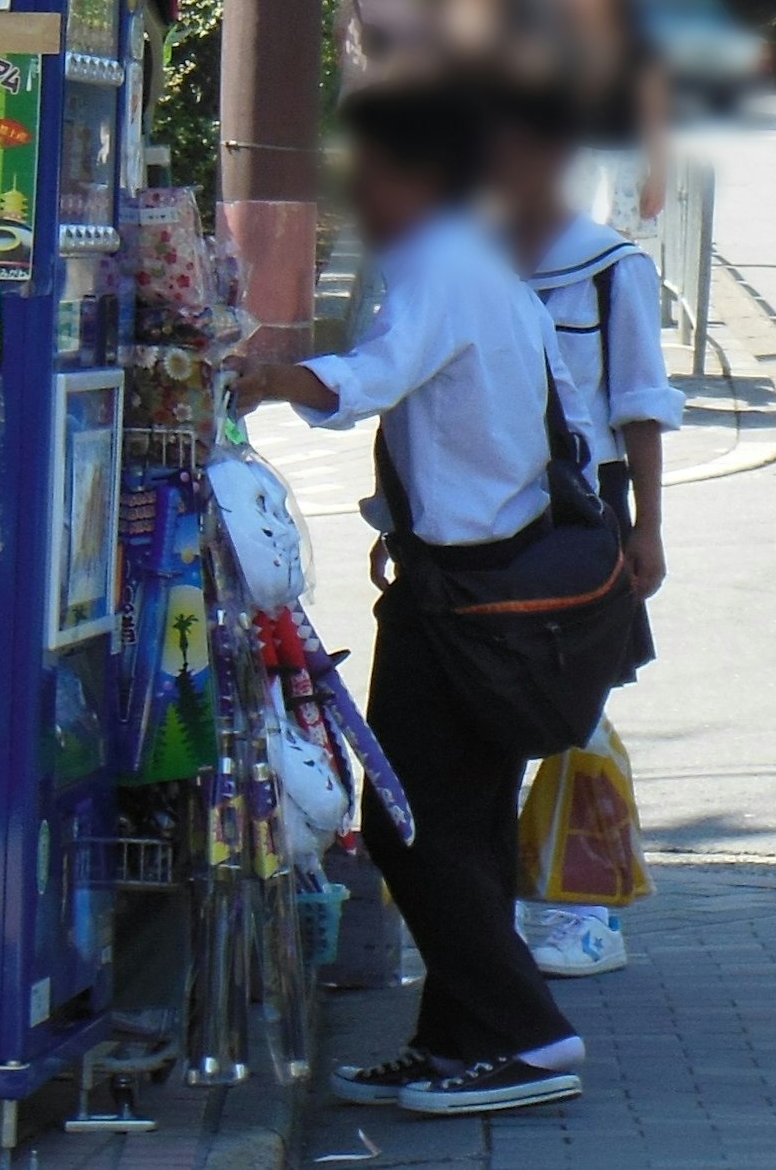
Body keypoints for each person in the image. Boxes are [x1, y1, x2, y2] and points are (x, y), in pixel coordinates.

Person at [232, 85, 602, 1120]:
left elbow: (373, 373)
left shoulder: (444, 262)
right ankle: (456, 1036)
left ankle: (527, 1032)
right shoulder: (476, 261)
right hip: (491, 580)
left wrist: (268, 377)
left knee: (405, 821)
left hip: (468, 591)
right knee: (462, 822)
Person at [497, 95, 680, 978]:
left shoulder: (613, 270)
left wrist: (648, 526)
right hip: (483, 503)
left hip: (582, 501)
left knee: (581, 702)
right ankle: (497, 893)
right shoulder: (461, 258)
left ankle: (581, 903)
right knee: (487, 703)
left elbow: (641, 405)